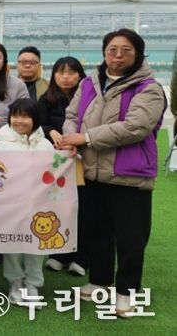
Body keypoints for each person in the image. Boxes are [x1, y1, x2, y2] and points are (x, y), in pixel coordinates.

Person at [61, 28, 166, 318]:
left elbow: (136, 127)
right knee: (96, 231)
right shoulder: (90, 83)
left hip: (128, 175)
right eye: (112, 50)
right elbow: (71, 116)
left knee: (131, 238)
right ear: (104, 53)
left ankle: (127, 292)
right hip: (91, 172)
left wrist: (86, 138)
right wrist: (70, 138)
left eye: (126, 50)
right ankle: (100, 282)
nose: (118, 56)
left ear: (138, 54)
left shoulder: (148, 88)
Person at [0, 98, 54, 306]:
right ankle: (15, 282)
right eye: (16, 116)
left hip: (40, 205)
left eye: (25, 116)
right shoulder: (2, 145)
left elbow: (55, 172)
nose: (19, 121)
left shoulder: (45, 145)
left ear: (35, 119)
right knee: (12, 244)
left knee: (37, 244)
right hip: (11, 205)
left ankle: (33, 284)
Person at [38, 57, 88, 277]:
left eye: (71, 72)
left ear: (80, 75)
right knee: (60, 205)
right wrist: (50, 131)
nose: (65, 77)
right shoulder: (46, 98)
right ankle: (59, 254)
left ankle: (82, 257)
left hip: (83, 158)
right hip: (57, 162)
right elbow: (37, 123)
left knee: (83, 207)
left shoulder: (88, 97)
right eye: (60, 72)